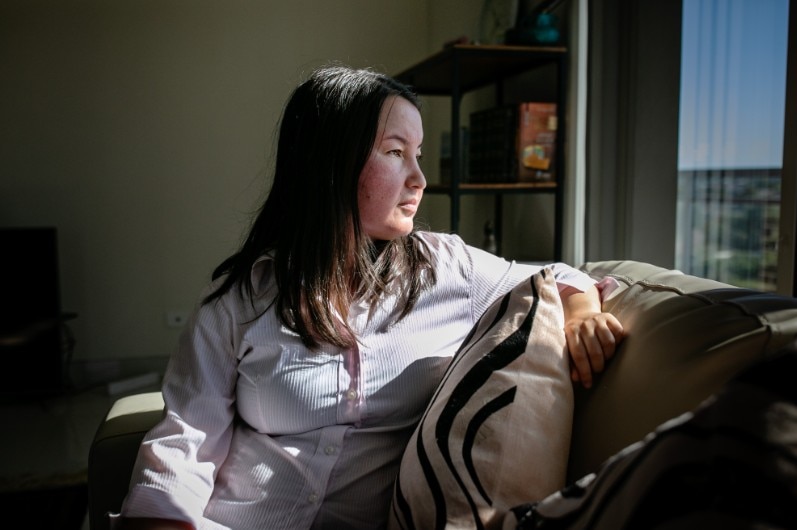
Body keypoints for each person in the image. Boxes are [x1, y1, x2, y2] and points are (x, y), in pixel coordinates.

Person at [114, 65, 624, 530]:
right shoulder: (243, 296)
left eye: (418, 156)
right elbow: (186, 440)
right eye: (396, 153)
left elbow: (555, 274)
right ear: (330, 163)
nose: (420, 180)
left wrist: (579, 314)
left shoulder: (449, 269)